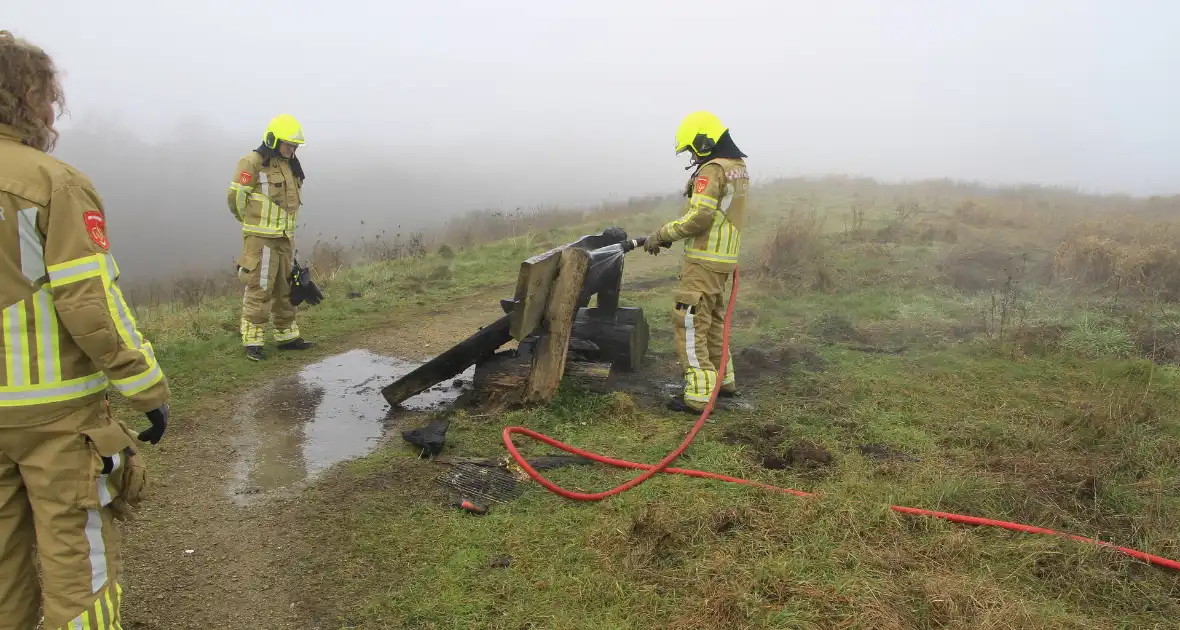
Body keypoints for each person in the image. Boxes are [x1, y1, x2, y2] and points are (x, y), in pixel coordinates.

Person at [0, 30, 171, 629]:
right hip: (55, 420)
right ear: (26, 96)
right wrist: (147, 387)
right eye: (48, 95)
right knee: (80, 573)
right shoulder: (53, 182)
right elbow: (89, 302)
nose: (53, 108)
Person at [646, 111, 750, 413]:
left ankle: (699, 394)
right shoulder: (738, 168)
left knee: (689, 322)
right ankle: (723, 380)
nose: (692, 155)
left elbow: (701, 216)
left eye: (693, 148)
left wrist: (663, 234)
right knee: (714, 321)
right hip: (724, 260)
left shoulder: (712, 171)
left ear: (705, 141)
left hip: (704, 260)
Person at [227, 114, 314, 361]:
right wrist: (252, 225)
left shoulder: (290, 164)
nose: (291, 150)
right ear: (273, 140)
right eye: (288, 145)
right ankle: (253, 342)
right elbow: (235, 200)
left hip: (285, 238)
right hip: (261, 240)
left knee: (285, 288)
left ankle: (287, 337)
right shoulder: (252, 162)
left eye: (294, 146)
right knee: (259, 289)